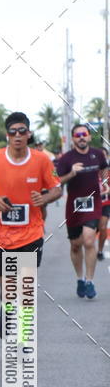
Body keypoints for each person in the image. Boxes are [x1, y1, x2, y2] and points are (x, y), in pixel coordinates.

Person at [0, 112, 61, 336]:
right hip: (1, 233)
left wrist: (45, 198)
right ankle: (7, 309)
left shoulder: (43, 160)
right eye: (12, 132)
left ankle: (23, 337)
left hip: (31, 232)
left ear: (29, 134)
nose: (17, 136)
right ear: (6, 135)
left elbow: (57, 188)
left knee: (25, 288)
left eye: (22, 131)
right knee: (7, 290)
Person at [55, 124, 107, 297]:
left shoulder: (98, 154)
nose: (81, 137)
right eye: (78, 135)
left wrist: (105, 185)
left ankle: (90, 281)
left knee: (89, 240)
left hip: (93, 203)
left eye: (84, 134)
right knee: (76, 245)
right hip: (74, 206)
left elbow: (104, 170)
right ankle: (80, 279)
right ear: (73, 139)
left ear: (89, 137)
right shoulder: (66, 159)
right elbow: (58, 182)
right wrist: (71, 173)